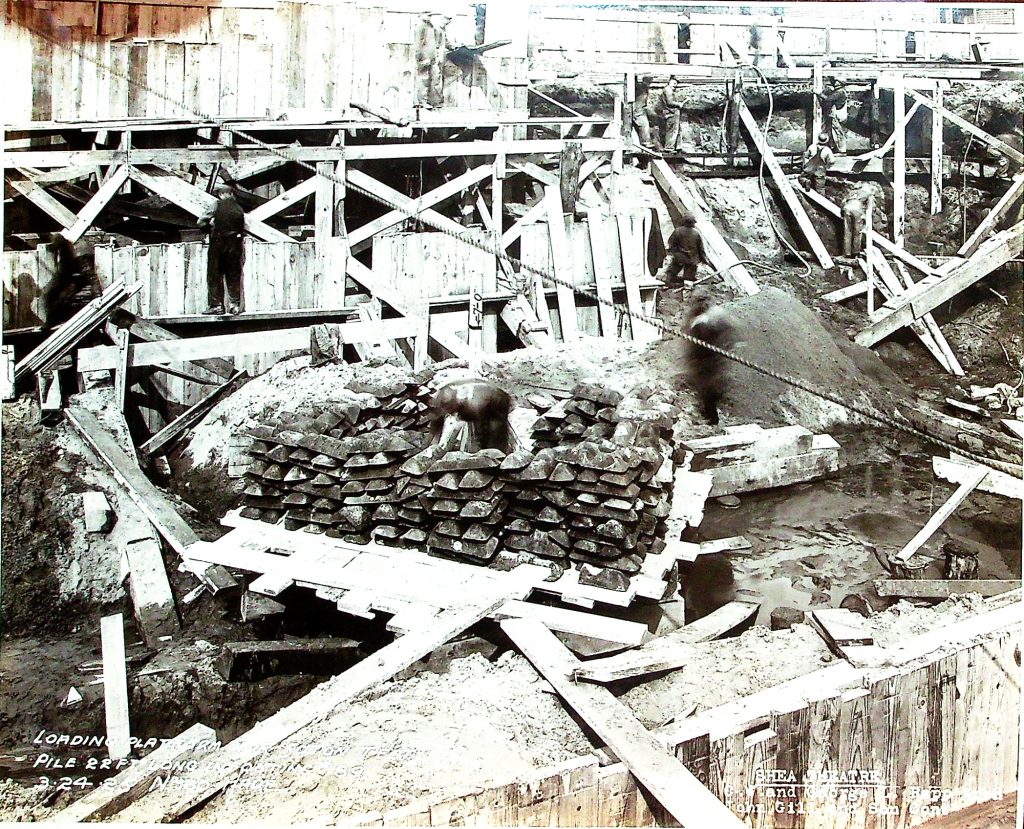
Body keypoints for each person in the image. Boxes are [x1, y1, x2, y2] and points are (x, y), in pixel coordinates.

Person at [682, 291, 737, 426]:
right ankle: (711, 416)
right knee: (707, 389)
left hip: (707, 360)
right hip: (707, 359)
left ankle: (712, 419)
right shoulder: (704, 318)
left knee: (708, 390)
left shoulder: (705, 321)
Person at [428, 379, 512, 453]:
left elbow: (482, 427)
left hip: (497, 400)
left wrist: (483, 449)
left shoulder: (473, 406)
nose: (450, 413)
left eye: (450, 409)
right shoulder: (442, 397)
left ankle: (499, 455)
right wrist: (434, 443)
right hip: (481, 395)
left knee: (494, 433)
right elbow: (437, 420)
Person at [200, 185, 245, 315]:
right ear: (232, 194)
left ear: (221, 194)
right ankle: (234, 305)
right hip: (236, 245)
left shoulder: (216, 205)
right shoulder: (239, 208)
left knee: (214, 274)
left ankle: (216, 305)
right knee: (233, 275)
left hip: (218, 243)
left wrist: (208, 228)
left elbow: (201, 221)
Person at [658, 210, 706, 287]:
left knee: (672, 273)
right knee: (689, 278)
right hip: (692, 260)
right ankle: (687, 290)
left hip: (679, 257)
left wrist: (674, 252)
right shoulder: (696, 234)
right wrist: (703, 259)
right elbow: (701, 249)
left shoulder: (678, 231)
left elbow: (671, 243)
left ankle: (668, 285)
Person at [646, 76, 684, 151]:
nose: (675, 85)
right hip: (671, 113)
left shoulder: (669, 90)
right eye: (674, 82)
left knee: (676, 130)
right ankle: (669, 147)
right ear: (669, 81)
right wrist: (678, 104)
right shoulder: (668, 90)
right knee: (672, 131)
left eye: (676, 83)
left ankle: (676, 147)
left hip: (672, 113)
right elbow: (669, 102)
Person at [841, 184, 873, 258]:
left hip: (846, 209)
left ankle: (847, 253)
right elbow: (870, 209)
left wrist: (842, 213)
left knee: (847, 231)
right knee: (857, 232)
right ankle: (856, 252)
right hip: (857, 210)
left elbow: (843, 202)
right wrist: (866, 219)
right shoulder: (868, 194)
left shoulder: (852, 192)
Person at [817, 82, 849, 154]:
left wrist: (819, 93)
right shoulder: (841, 91)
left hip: (837, 115)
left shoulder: (840, 92)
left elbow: (828, 99)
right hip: (838, 114)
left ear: (840, 83)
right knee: (835, 132)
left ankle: (841, 150)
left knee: (838, 132)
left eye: (837, 82)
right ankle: (837, 148)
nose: (835, 83)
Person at [631, 75, 654, 149]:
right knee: (644, 124)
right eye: (649, 82)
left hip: (641, 109)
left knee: (644, 124)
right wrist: (634, 77)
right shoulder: (640, 87)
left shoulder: (645, 88)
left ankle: (643, 142)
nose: (650, 84)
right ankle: (645, 142)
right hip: (637, 110)